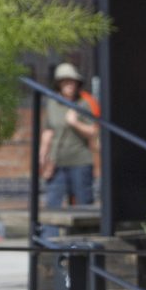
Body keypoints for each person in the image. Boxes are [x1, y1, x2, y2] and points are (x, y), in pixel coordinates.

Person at [40, 62, 98, 208]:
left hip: (80, 162)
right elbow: (48, 132)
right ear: (59, 84)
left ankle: (85, 232)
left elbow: (93, 131)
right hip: (56, 162)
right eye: (66, 82)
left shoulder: (84, 103)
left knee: (84, 204)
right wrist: (43, 159)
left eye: (73, 81)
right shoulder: (52, 103)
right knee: (52, 204)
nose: (70, 85)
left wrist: (75, 123)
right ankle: (49, 232)